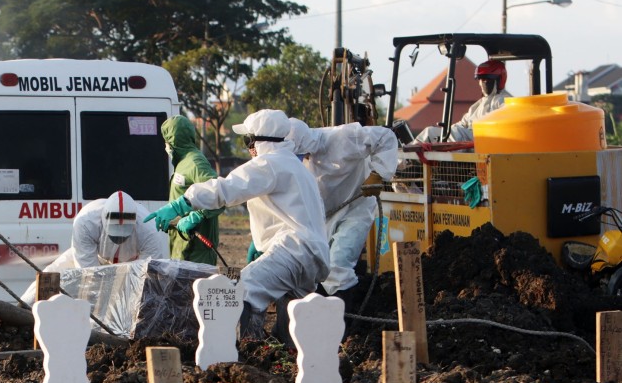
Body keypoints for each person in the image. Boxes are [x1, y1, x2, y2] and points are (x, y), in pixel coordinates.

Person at [145, 109, 329, 339]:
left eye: (246, 141)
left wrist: (183, 203)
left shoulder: (269, 163)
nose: (247, 148)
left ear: (256, 142)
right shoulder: (294, 166)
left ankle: (249, 355)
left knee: (244, 292)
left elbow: (226, 188)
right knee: (293, 312)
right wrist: (264, 246)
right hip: (313, 254)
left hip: (294, 249)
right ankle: (286, 357)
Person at [285, 118, 398, 300]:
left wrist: (378, 174)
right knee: (315, 266)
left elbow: (386, 137)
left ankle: (344, 319)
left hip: (356, 208)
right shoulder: (294, 161)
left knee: (339, 263)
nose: (303, 159)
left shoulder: (343, 137)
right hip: (324, 215)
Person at [20, 190, 168, 303]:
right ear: (103, 220)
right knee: (52, 274)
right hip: (96, 257)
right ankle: (22, 309)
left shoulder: (149, 229)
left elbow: (147, 273)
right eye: (115, 235)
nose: (118, 240)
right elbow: (88, 273)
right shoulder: (86, 222)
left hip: (132, 265)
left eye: (123, 235)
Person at [159, 116, 223, 265]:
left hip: (197, 250)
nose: (165, 145)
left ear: (173, 140)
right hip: (183, 246)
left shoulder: (195, 162)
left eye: (166, 140)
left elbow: (219, 195)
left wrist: (196, 216)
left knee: (194, 288)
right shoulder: (182, 163)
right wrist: (171, 220)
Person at [415, 59, 511, 143]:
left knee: (443, 132)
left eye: (485, 81)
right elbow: (463, 122)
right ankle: (407, 160)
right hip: (467, 140)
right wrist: (446, 129)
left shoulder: (504, 102)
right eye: (480, 80)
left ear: (498, 80)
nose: (481, 84)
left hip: (481, 142)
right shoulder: (478, 105)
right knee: (431, 132)